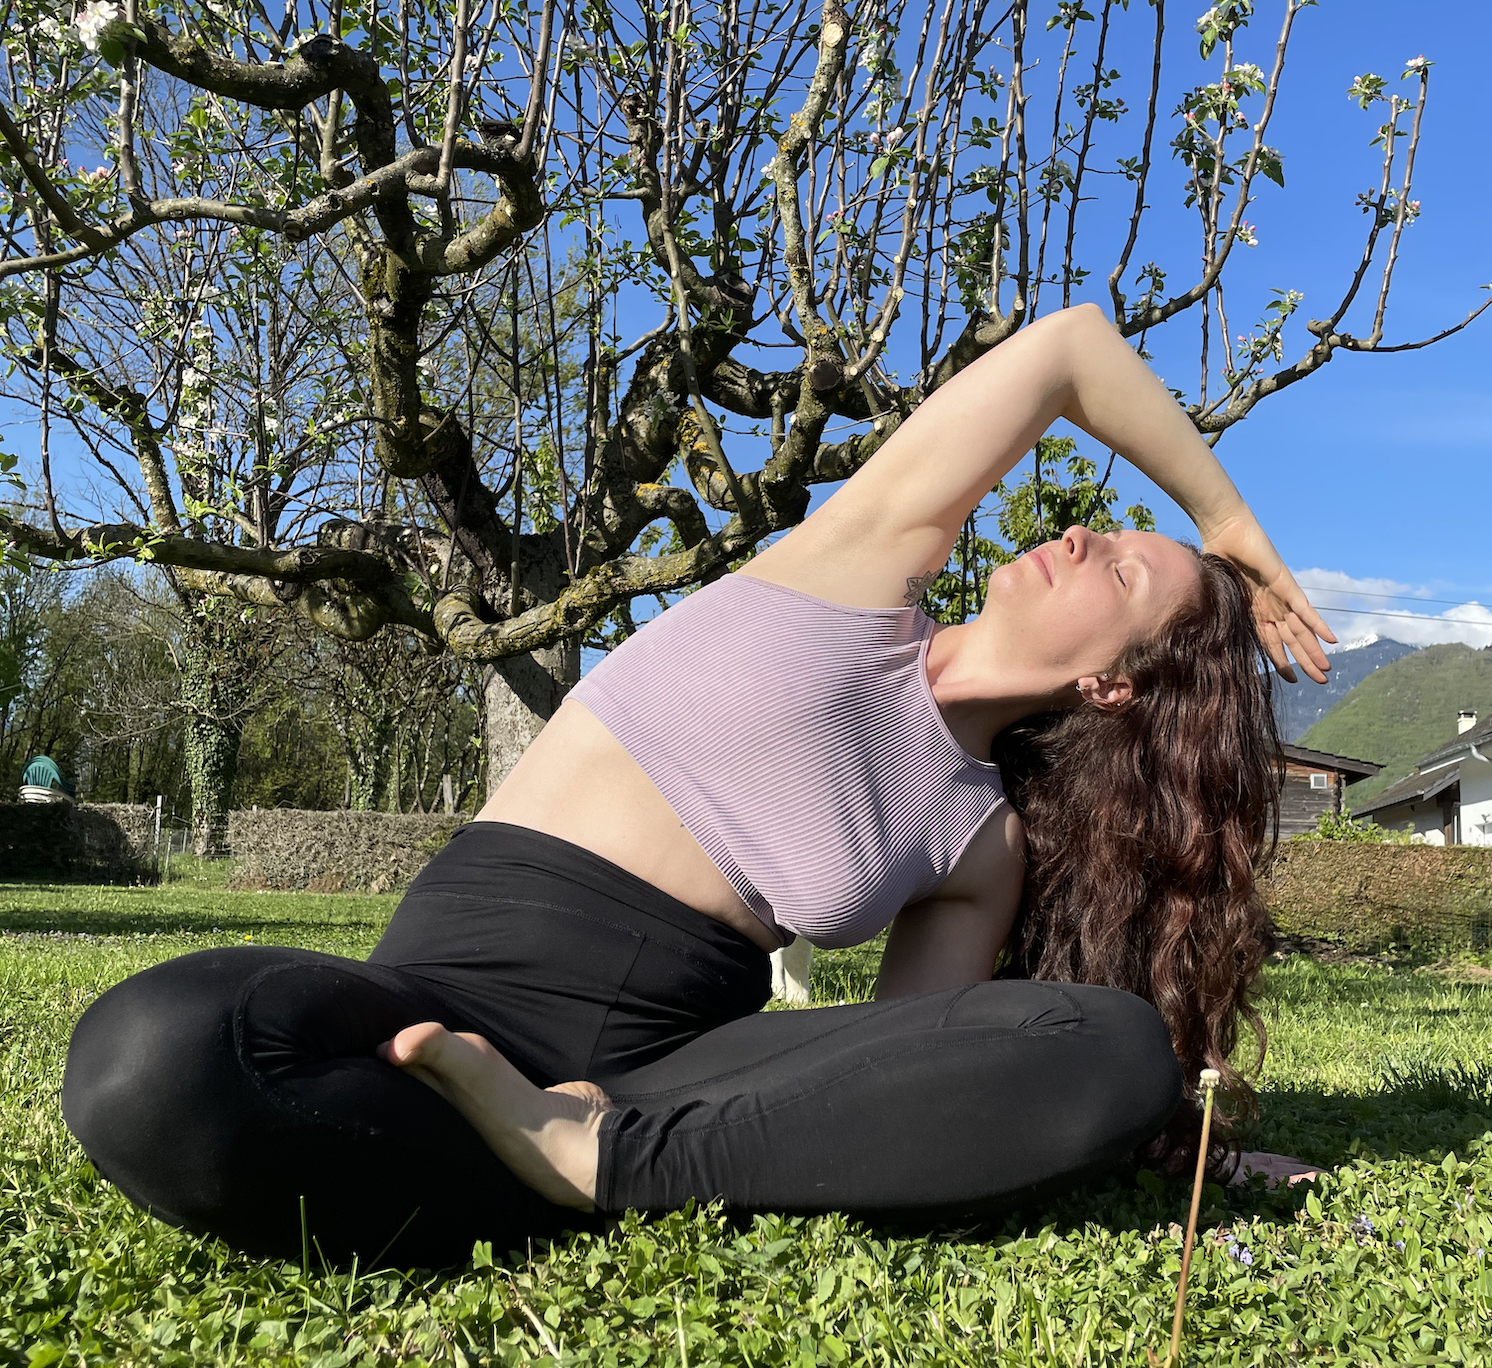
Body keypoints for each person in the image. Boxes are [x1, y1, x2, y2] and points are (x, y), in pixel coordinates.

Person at [62, 304, 1333, 1268]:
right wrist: (1224, 525)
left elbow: (890, 1073)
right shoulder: (855, 569)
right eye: (1105, 528)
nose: (1077, 536)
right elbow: (1066, 350)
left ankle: (591, 1165)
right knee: (148, 1063)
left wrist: (1165, 1129)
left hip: (653, 1091)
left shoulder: (977, 841)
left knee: (1106, 1048)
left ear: (1115, 688)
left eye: (1117, 570)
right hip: (429, 1003)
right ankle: (518, 1171)